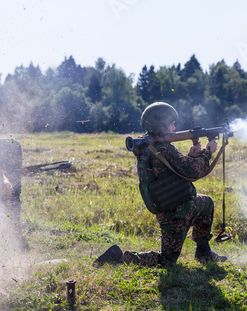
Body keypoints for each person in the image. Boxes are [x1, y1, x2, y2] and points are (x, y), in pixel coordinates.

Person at [95, 102, 227, 266]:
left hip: (171, 209)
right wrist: (207, 152)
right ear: (161, 125)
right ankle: (121, 258)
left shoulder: (149, 148)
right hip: (176, 213)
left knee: (206, 202)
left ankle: (204, 252)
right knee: (166, 261)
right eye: (171, 123)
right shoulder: (163, 149)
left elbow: (172, 172)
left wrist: (191, 156)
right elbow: (193, 171)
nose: (174, 127)